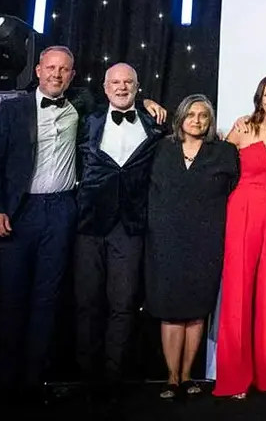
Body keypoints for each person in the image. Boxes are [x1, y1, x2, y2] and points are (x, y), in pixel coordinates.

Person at [0, 47, 163, 401]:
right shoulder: (15, 108)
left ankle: (35, 384)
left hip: (64, 211)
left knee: (48, 300)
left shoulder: (81, 107)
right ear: (37, 70)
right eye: (51, 67)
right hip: (19, 212)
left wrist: (147, 102)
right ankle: (5, 386)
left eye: (64, 70)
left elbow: (124, 98)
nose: (56, 74)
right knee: (12, 298)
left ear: (73, 75)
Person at [75, 63, 166, 394]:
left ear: (138, 87)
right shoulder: (88, 120)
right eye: (115, 82)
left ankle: (113, 379)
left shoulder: (154, 122)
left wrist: (147, 104)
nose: (122, 87)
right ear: (105, 87)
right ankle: (87, 378)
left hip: (129, 226)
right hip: (89, 225)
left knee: (124, 304)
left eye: (128, 82)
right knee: (87, 303)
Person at [145, 94, 238, 399]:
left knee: (197, 310)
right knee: (171, 310)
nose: (197, 121)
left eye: (203, 116)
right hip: (166, 239)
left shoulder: (223, 152)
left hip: (206, 240)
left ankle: (187, 376)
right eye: (191, 115)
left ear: (210, 121)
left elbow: (235, 189)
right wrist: (145, 102)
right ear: (180, 118)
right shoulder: (161, 149)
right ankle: (172, 378)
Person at [214, 75, 266, 398]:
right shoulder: (244, 128)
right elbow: (215, 159)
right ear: (259, 98)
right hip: (244, 210)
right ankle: (236, 377)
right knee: (239, 291)